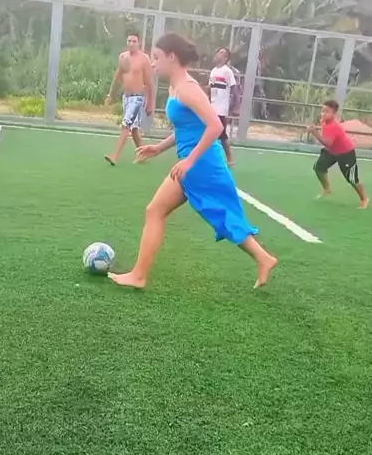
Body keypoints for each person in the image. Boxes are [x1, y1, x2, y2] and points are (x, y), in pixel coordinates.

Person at [109, 32, 278, 290]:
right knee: (215, 212)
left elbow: (215, 127)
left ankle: (138, 276)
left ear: (172, 57)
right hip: (194, 162)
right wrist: (159, 148)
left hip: (201, 163)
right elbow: (188, 128)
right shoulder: (177, 87)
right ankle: (264, 259)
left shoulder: (188, 88)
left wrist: (189, 162)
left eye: (157, 58)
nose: (153, 64)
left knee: (161, 211)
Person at [104, 32, 156, 165]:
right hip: (126, 97)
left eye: (134, 41)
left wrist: (150, 103)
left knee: (126, 124)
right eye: (129, 41)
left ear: (139, 43)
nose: (131, 44)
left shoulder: (144, 59)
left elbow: (150, 82)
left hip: (138, 98)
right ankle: (143, 154)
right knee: (134, 129)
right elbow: (118, 77)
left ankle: (115, 156)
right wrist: (111, 94)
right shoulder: (123, 57)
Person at [309, 100, 369, 208]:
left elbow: (328, 143)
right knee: (319, 167)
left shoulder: (334, 126)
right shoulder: (324, 121)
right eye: (323, 111)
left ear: (334, 114)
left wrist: (315, 133)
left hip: (345, 153)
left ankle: (365, 199)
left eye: (327, 112)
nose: (323, 114)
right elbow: (328, 141)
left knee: (351, 179)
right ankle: (327, 189)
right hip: (332, 151)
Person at [207, 47, 241, 166]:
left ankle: (230, 158)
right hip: (211, 108)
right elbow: (210, 89)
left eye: (221, 53)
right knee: (209, 132)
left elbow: (234, 90)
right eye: (218, 52)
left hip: (221, 109)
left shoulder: (227, 72)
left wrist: (235, 106)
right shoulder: (213, 71)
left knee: (221, 135)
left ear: (226, 58)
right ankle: (210, 156)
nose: (218, 54)